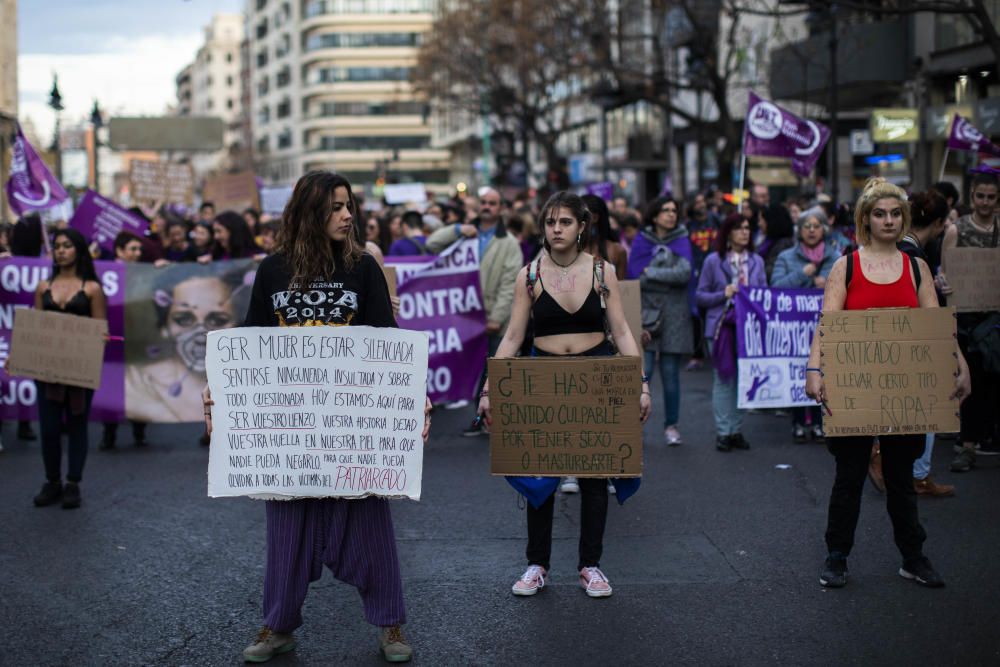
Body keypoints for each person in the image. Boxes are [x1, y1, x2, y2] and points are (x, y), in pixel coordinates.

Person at [201, 171, 428, 663]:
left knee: (369, 521)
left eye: (349, 206)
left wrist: (416, 399)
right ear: (310, 211)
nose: (348, 215)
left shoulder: (363, 266)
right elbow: (249, 345)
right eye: (336, 207)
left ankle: (390, 624)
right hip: (290, 429)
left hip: (351, 424)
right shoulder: (273, 270)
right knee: (286, 528)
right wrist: (217, 391)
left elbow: (386, 343)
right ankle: (277, 626)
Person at [476, 191, 651, 599]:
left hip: (597, 377)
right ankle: (537, 564)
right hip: (543, 380)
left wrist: (641, 384)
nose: (556, 229)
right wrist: (489, 390)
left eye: (565, 222)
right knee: (540, 477)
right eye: (550, 222)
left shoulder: (602, 271)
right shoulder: (530, 275)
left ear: (581, 227)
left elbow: (622, 332)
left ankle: (590, 565)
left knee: (594, 476)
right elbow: (514, 336)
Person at [805, 177, 971, 589]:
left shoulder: (917, 267)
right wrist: (814, 370)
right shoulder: (848, 265)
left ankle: (913, 557)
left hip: (905, 392)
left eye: (896, 213)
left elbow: (937, 328)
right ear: (866, 218)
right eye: (880, 213)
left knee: (900, 480)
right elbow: (827, 324)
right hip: (855, 388)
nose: (889, 220)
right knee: (850, 477)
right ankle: (837, 556)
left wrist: (960, 363)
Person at [426, 187, 523, 436]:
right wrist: (458, 229)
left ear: (500, 208)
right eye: (484, 202)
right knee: (468, 367)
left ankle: (485, 417)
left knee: (494, 368)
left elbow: (509, 284)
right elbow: (432, 244)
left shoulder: (509, 243)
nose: (487, 206)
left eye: (493, 203)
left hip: (492, 318)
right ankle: (481, 415)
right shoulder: (465, 235)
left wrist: (497, 318)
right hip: (464, 316)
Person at [29, 229, 108, 509]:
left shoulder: (92, 289)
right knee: (49, 429)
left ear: (78, 250)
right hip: (48, 370)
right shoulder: (42, 287)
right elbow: (35, 329)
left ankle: (73, 482)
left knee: (76, 425)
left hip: (79, 370)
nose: (61, 250)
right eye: (57, 246)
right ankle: (52, 482)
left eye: (67, 246)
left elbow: (102, 329)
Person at [941, 172, 1000, 473]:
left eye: (991, 197)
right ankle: (967, 446)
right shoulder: (957, 230)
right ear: (972, 196)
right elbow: (946, 272)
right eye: (981, 196)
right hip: (968, 319)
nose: (986, 203)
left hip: (996, 318)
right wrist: (946, 286)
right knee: (971, 381)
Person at [897, 190, 954, 497]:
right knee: (925, 408)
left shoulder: (904, 251)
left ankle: (913, 472)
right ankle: (917, 475)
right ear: (938, 223)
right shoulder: (914, 255)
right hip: (915, 341)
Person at [697, 213, 766, 452]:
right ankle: (723, 432)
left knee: (743, 379)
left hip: (747, 328)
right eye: (739, 228)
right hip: (720, 328)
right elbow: (700, 296)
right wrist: (722, 294)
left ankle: (736, 430)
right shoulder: (713, 261)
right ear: (728, 233)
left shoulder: (757, 261)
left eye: (747, 228)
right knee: (723, 380)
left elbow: (764, 295)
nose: (745, 232)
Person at [770, 207, 840, 443]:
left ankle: (822, 422)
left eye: (816, 226)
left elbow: (843, 288)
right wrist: (803, 274)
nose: (811, 231)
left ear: (824, 229)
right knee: (797, 370)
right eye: (806, 226)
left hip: (823, 328)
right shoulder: (786, 257)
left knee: (825, 370)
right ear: (798, 231)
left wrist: (827, 284)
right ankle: (798, 422)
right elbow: (776, 288)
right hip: (794, 329)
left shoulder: (835, 257)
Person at [627, 196, 692, 446]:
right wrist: (665, 276)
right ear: (654, 215)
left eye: (674, 210)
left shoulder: (682, 240)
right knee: (645, 371)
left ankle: (671, 426)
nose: (671, 215)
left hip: (675, 315)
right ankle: (635, 425)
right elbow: (635, 278)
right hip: (647, 315)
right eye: (665, 211)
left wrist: (652, 272)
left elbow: (685, 274)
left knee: (670, 374)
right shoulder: (642, 241)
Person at [101, 232, 150, 450]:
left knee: (138, 382)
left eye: (139, 249)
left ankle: (139, 430)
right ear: (119, 251)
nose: (137, 253)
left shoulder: (142, 274)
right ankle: (109, 432)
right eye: (132, 249)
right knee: (111, 384)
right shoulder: (104, 274)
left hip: (137, 336)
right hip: (113, 339)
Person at [582, 195, 628, 280]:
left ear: (595, 218)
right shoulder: (569, 250)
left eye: (583, 216)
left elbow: (622, 288)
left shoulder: (617, 250)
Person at [756, 204, 796, 281]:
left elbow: (771, 271)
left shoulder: (784, 245)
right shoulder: (768, 241)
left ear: (771, 221)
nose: (759, 224)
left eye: (761, 220)